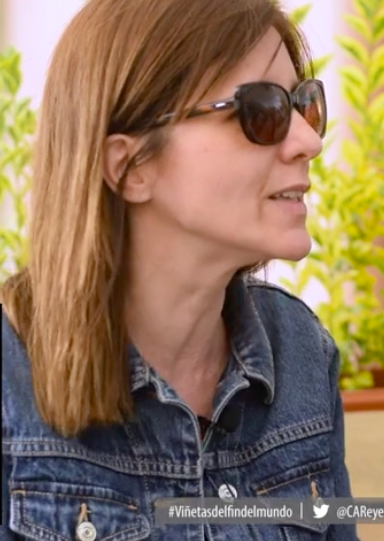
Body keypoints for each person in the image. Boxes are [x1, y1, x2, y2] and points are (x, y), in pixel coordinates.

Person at [0, 0, 359, 539]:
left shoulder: (300, 350)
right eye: (261, 110)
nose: (310, 141)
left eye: (304, 104)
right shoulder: (10, 380)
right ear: (131, 166)